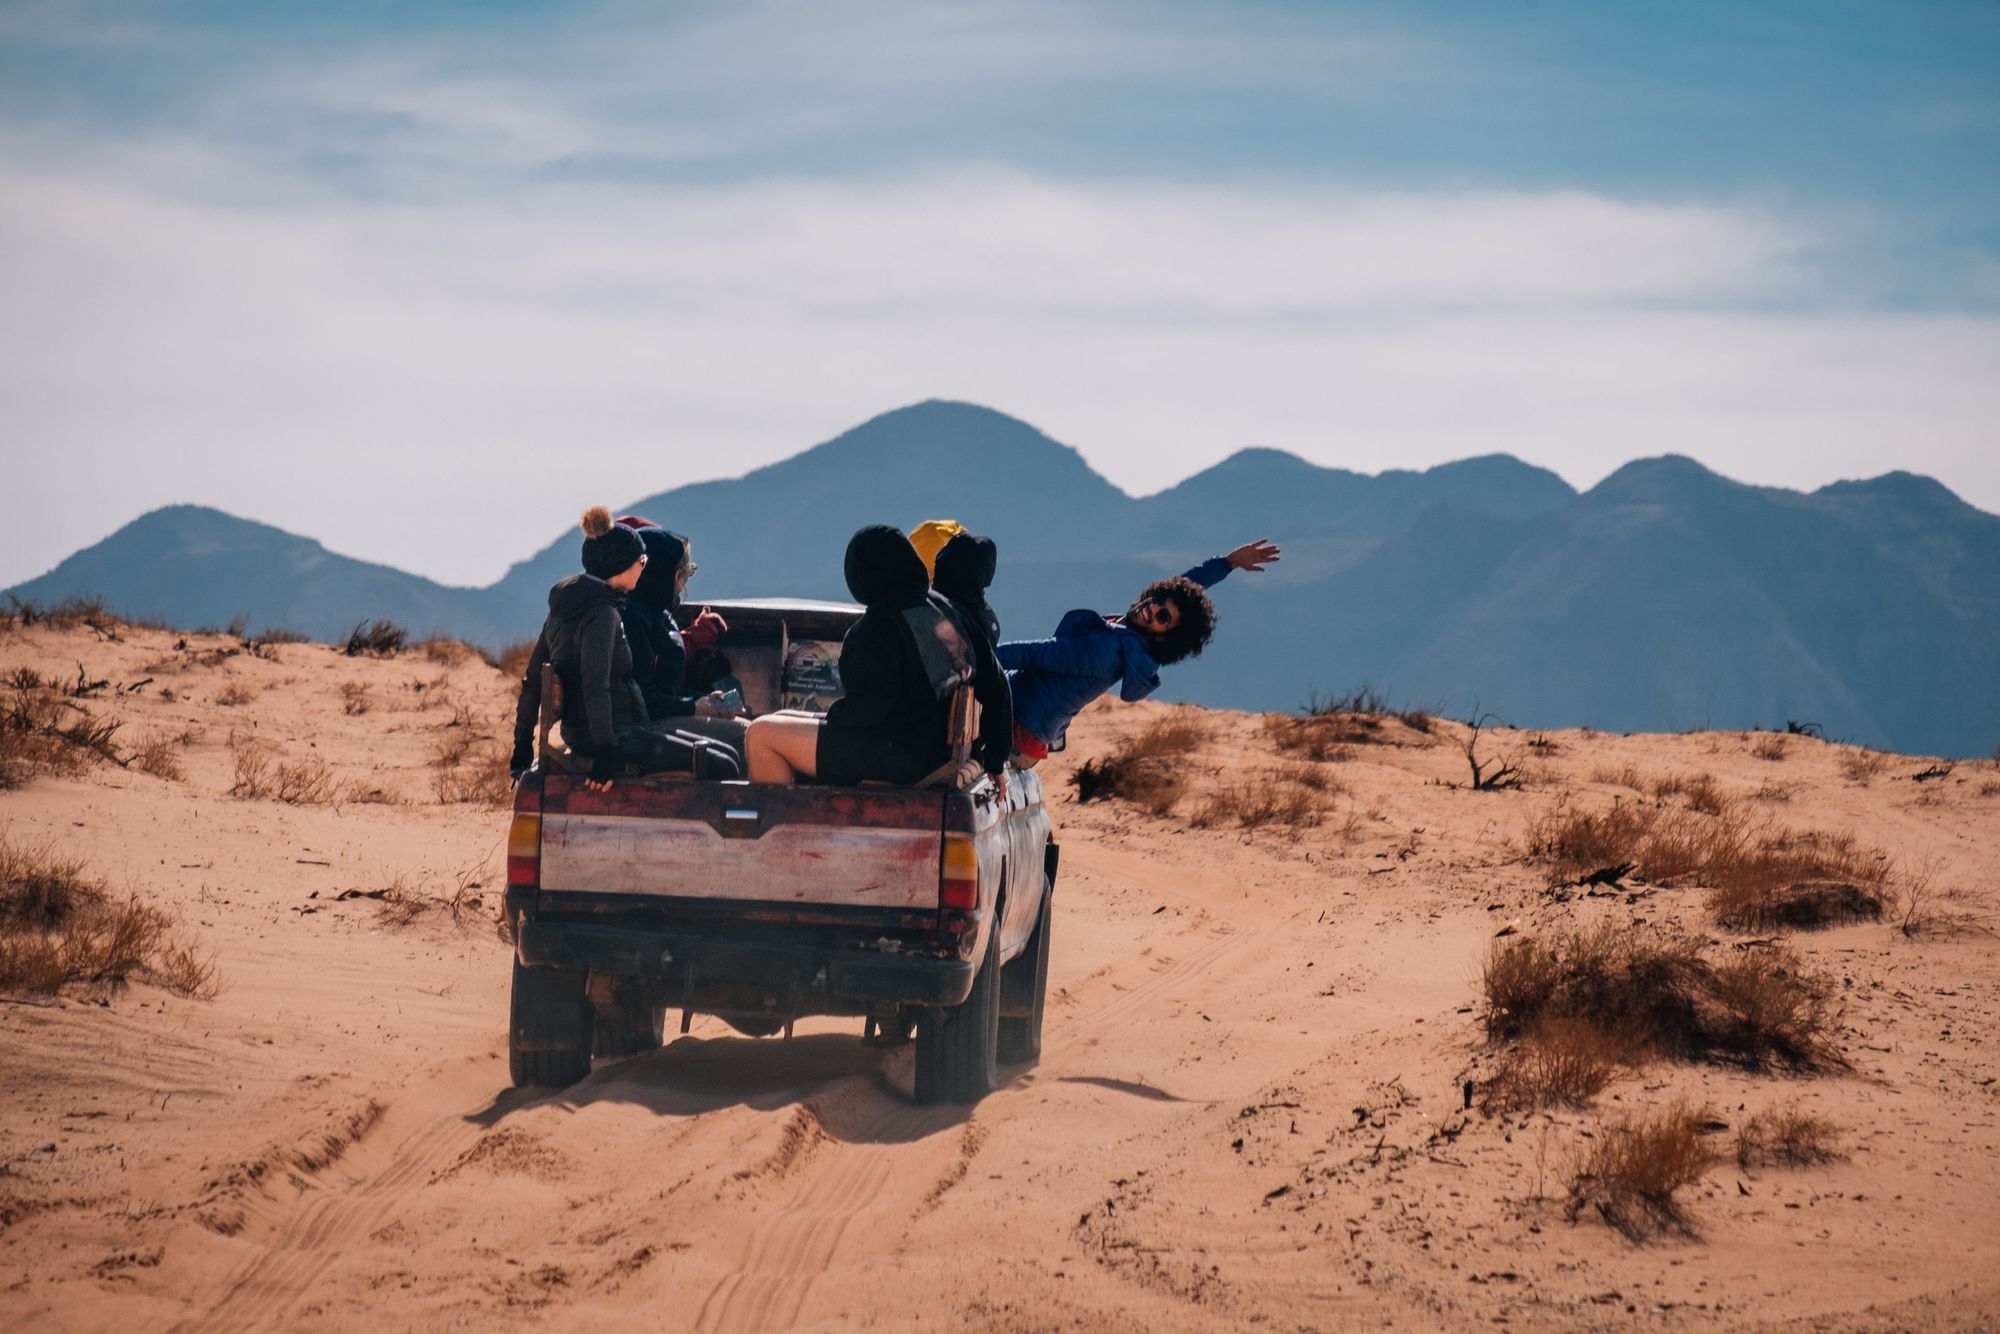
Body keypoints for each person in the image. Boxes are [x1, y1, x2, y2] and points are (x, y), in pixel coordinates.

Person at [744, 525, 1009, 789]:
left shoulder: (880, 623)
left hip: (900, 758)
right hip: (930, 749)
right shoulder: (948, 609)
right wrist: (996, 761)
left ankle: (784, 828)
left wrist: (836, 718)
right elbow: (998, 686)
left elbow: (868, 709)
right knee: (781, 718)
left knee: (761, 735)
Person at [998, 539, 1281, 765]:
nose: (1153, 609)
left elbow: (1034, 654)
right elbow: (1185, 588)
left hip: (1015, 728)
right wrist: (1228, 563)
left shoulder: (1109, 650)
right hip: (1022, 718)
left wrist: (975, 656)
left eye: (1164, 618)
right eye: (1158, 601)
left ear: (1166, 638)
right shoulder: (1131, 636)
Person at [508, 507, 675, 791]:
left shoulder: (561, 610)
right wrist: (606, 752)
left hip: (580, 735)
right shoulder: (603, 613)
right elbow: (595, 685)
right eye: (642, 560)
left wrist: (522, 744)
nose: (643, 567)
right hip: (617, 739)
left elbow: (533, 681)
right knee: (723, 761)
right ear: (621, 565)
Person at [610, 517, 734, 721]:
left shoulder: (652, 612)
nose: (684, 584)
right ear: (670, 575)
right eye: (686, 574)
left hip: (663, 714)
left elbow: (666, 691)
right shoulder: (633, 617)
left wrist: (703, 700)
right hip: (644, 727)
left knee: (753, 729)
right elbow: (642, 700)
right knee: (746, 736)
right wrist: (693, 708)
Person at [931, 531, 1012, 779]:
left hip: (918, 738)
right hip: (959, 744)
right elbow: (996, 692)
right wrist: (995, 760)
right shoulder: (985, 619)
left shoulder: (926, 612)